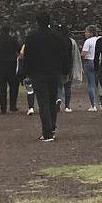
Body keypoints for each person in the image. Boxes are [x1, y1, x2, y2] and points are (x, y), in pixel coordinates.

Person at [19, 11, 73, 141]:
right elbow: (64, 55)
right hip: (54, 72)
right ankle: (52, 128)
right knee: (51, 100)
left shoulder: (32, 37)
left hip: (38, 73)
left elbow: (27, 57)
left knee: (43, 102)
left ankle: (47, 131)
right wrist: (66, 71)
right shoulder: (57, 37)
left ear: (37, 22)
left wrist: (24, 73)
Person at [0, 25, 22, 113]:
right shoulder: (13, 40)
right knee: (14, 86)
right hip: (11, 66)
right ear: (9, 31)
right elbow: (19, 51)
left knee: (1, 88)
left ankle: (3, 107)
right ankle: (12, 105)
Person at [82, 26, 102, 111]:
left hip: (89, 61)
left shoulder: (88, 41)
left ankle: (93, 105)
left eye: (86, 32)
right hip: (100, 61)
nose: (85, 34)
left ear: (91, 32)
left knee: (91, 83)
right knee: (100, 83)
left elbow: (83, 54)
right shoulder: (100, 39)